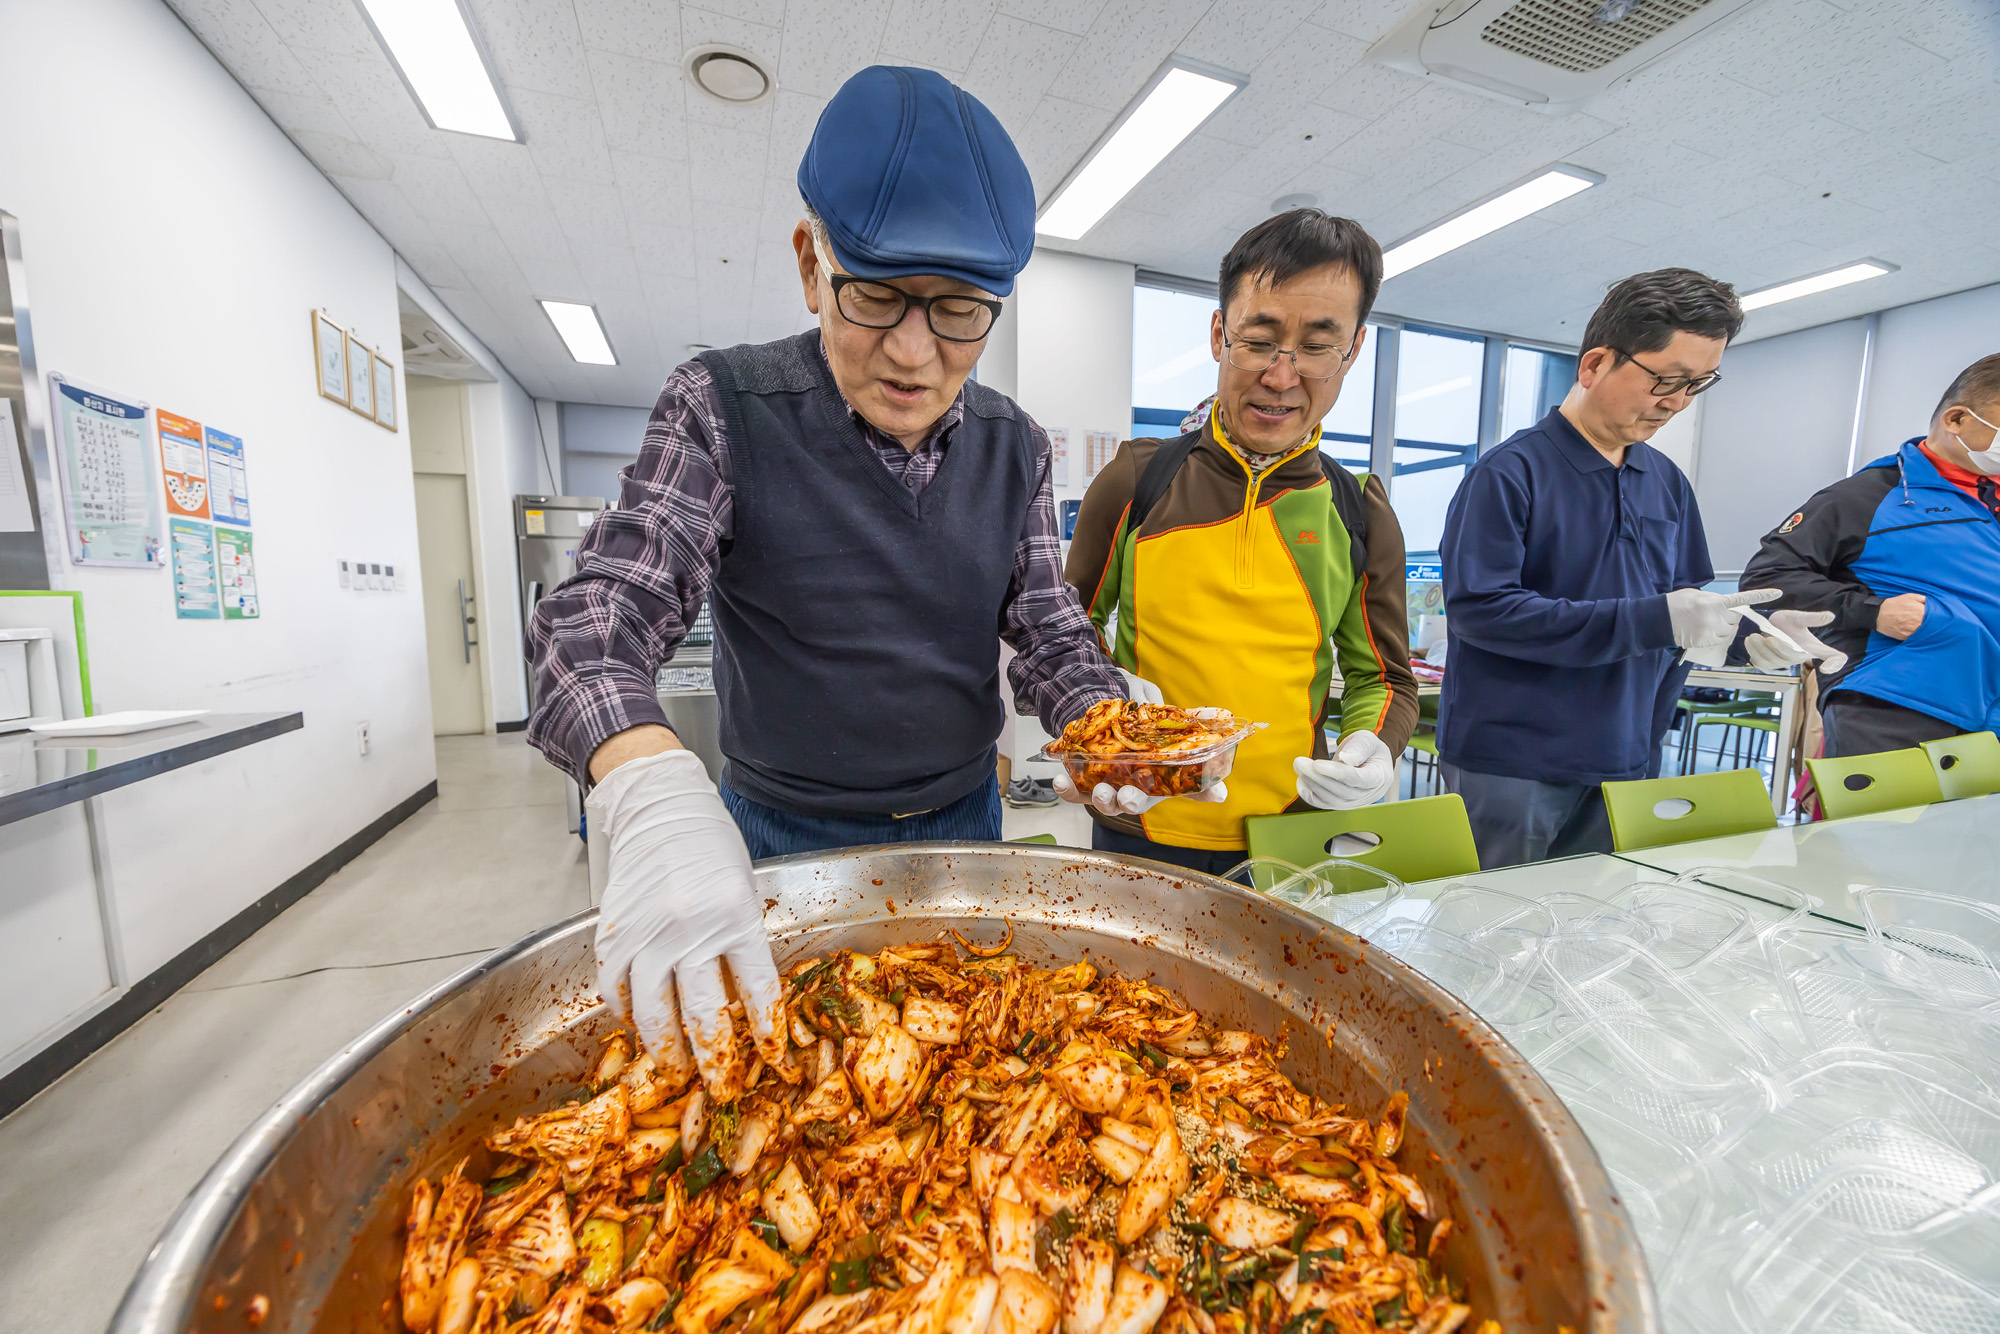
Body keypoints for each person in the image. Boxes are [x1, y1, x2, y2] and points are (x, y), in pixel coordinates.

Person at [525, 67, 1202, 1097]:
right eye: (876, 296)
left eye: (960, 311)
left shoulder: (1014, 445)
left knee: (952, 1096)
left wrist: (1111, 722)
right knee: (779, 1092)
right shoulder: (721, 407)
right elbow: (595, 615)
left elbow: (1048, 627)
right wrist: (648, 781)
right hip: (771, 838)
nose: (913, 353)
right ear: (811, 263)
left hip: (963, 831)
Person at [1436, 269, 1835, 869]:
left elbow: (1683, 615)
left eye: (1698, 385)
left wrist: (1753, 642)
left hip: (1628, 754)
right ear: (1595, 364)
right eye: (1667, 380)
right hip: (1515, 761)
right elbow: (1482, 613)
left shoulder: (1665, 482)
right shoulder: (1510, 473)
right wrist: (1656, 618)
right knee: (1488, 932)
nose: (1676, 402)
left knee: (1588, 929)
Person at [1062, 209, 1419, 877]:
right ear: (1219, 334)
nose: (1283, 378)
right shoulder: (1139, 479)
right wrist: (1100, 693)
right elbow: (1064, 628)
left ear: (1355, 350)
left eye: (1317, 346)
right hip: (1139, 815)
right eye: (1259, 340)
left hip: (1289, 836)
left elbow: (1384, 676)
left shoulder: (1359, 510)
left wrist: (1376, 744)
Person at [1742, 353, 2000, 757]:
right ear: (1956, 420)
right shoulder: (1866, 498)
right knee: (1884, 824)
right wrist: (1872, 611)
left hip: (1989, 719)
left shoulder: (1992, 501)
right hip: (1895, 708)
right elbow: (1768, 581)